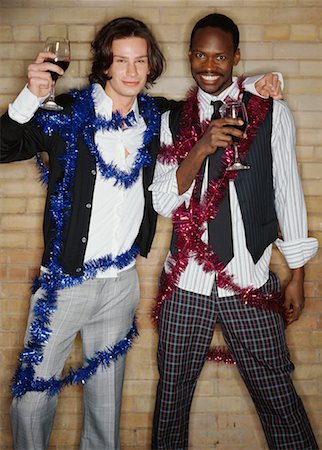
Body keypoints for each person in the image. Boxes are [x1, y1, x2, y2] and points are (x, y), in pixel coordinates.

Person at [0, 14, 283, 450]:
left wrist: (262, 81)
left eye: (140, 61)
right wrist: (28, 99)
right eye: (121, 61)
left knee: (105, 400)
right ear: (105, 66)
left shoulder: (160, 117)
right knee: (33, 394)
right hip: (64, 281)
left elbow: (214, 95)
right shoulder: (68, 114)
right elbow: (3, 146)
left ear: (150, 65)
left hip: (121, 285)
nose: (131, 71)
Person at [149, 13, 318, 450]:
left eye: (220, 56)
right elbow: (164, 201)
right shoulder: (172, 121)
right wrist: (203, 146)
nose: (210, 65)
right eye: (201, 55)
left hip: (249, 278)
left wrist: (298, 274)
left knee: (278, 396)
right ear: (189, 56)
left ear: (235, 58)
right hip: (185, 283)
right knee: (171, 400)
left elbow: (288, 193)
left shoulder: (270, 113)